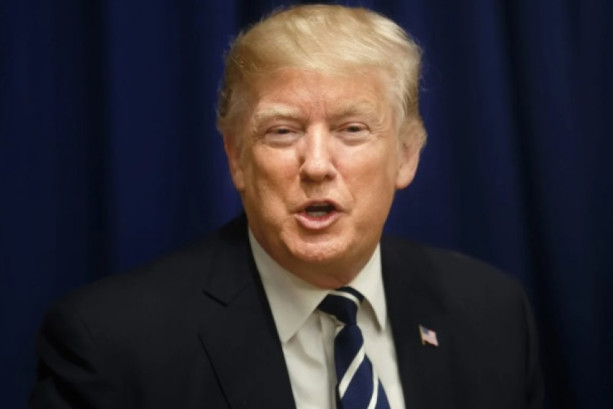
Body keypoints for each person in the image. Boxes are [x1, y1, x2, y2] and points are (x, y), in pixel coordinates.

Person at [29, 4, 543, 409]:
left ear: (407, 154)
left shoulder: (493, 315)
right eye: (282, 131)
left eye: (352, 129)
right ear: (236, 157)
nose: (316, 164)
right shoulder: (110, 345)